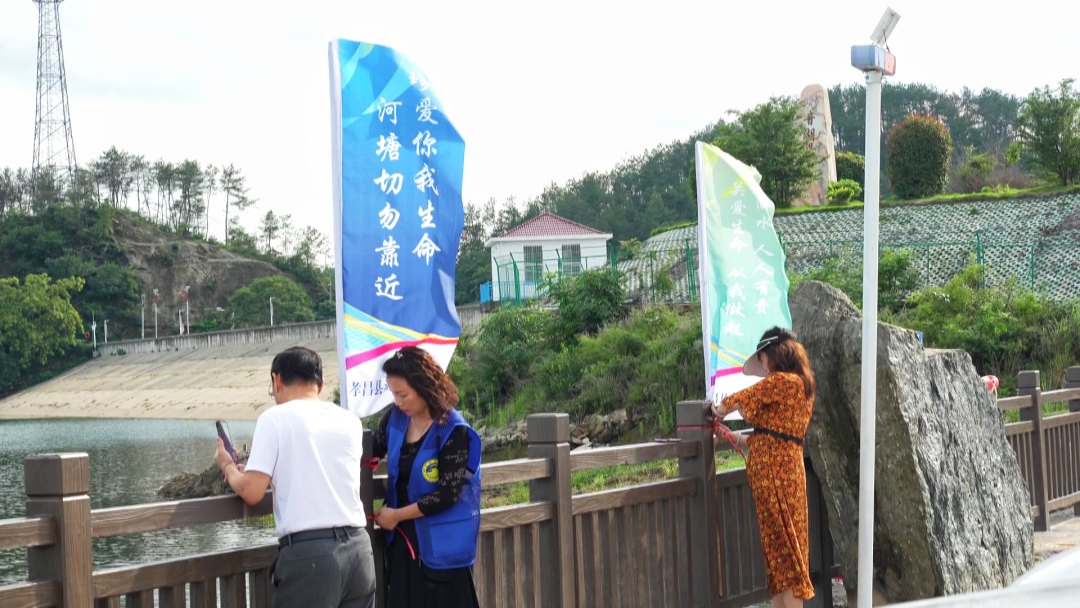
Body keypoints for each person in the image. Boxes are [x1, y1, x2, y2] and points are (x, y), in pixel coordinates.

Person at [214, 346, 375, 608]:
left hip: (311, 558)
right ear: (320, 384)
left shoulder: (274, 418)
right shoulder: (350, 421)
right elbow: (321, 471)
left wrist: (227, 465)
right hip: (359, 551)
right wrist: (263, 471)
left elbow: (251, 492)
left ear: (276, 380)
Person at [371, 346, 482, 608]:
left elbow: (448, 495)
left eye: (403, 395)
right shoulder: (395, 420)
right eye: (393, 394)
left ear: (424, 386)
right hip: (403, 546)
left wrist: (396, 515)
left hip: (443, 552)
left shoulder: (453, 429)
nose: (398, 402)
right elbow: (370, 453)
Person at [713, 327, 816, 608]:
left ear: (772, 355)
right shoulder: (798, 385)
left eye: (762, 359)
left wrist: (718, 410)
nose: (764, 366)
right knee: (780, 557)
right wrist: (733, 436)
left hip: (776, 479)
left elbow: (738, 399)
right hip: (783, 475)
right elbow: (769, 437)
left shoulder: (784, 382)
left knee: (786, 556)